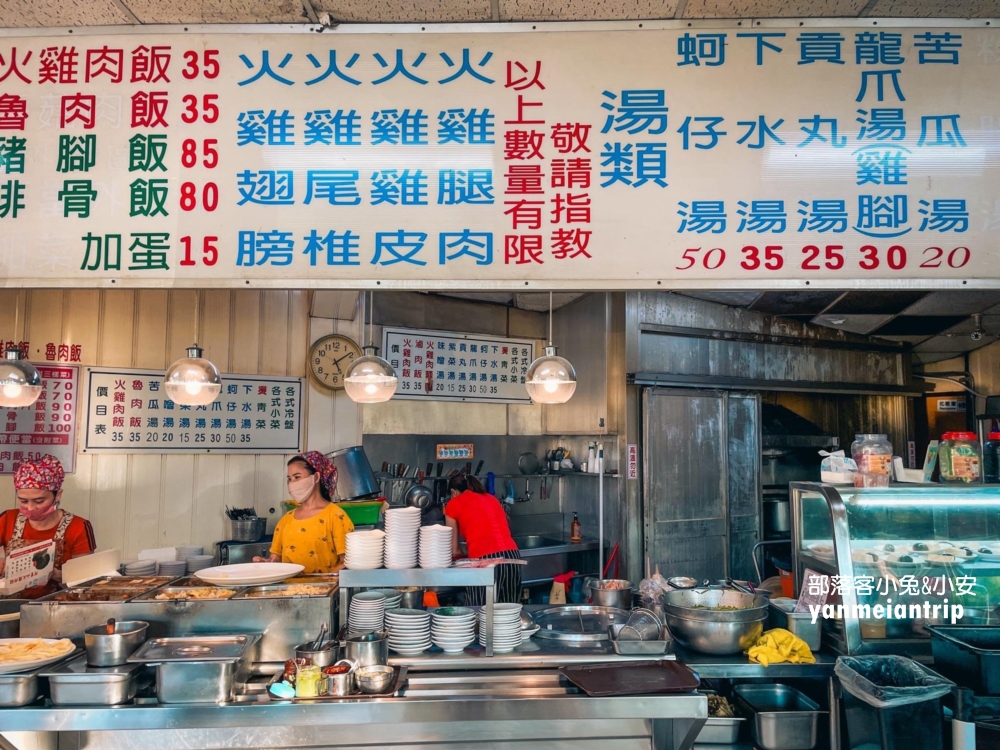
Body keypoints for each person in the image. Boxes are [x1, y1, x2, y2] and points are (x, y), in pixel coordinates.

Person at [0, 455, 96, 599]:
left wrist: (56, 574)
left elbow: (84, 582)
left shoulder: (78, 527)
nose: (30, 508)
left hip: (56, 607)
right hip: (9, 606)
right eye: (23, 501)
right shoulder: (7, 519)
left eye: (39, 501)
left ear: (57, 495)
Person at [254, 451, 353, 574]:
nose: (292, 484)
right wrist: (266, 564)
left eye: (297, 477)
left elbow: (348, 562)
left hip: (326, 590)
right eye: (289, 479)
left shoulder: (336, 516)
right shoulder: (286, 520)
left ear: (316, 477)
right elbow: (276, 559)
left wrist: (321, 583)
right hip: (289, 590)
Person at [444, 473, 522, 605]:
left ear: (453, 492)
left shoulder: (453, 504)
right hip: (512, 557)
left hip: (484, 561)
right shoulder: (492, 499)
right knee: (510, 612)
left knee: (481, 611)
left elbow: (454, 549)